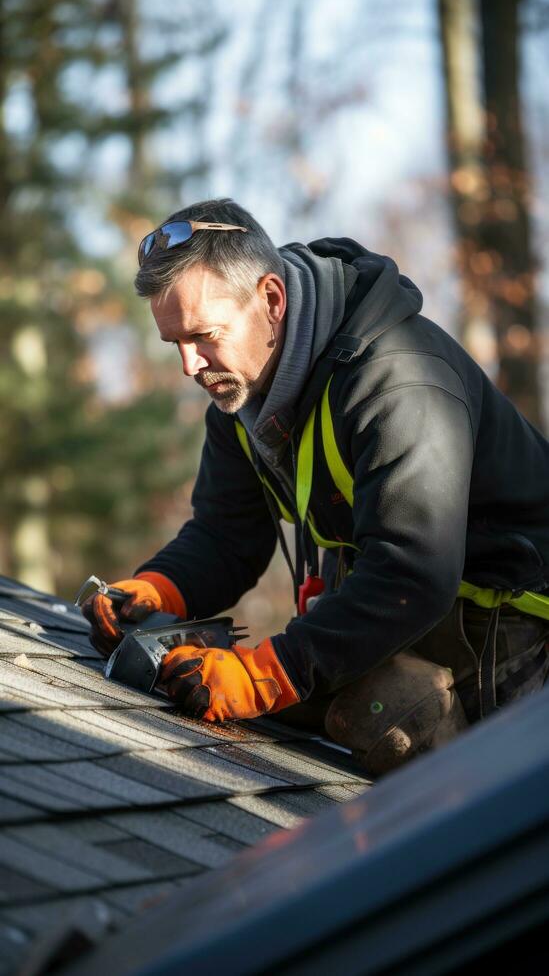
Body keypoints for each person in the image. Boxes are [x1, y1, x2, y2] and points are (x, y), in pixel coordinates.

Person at [81, 198, 549, 776]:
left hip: (515, 630)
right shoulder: (240, 394)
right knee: (209, 683)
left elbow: (413, 571)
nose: (189, 365)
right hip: (408, 612)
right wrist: (157, 591)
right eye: (173, 342)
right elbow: (228, 536)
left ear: (271, 300)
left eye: (203, 335)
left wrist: (266, 675)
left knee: (396, 717)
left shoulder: (398, 383)